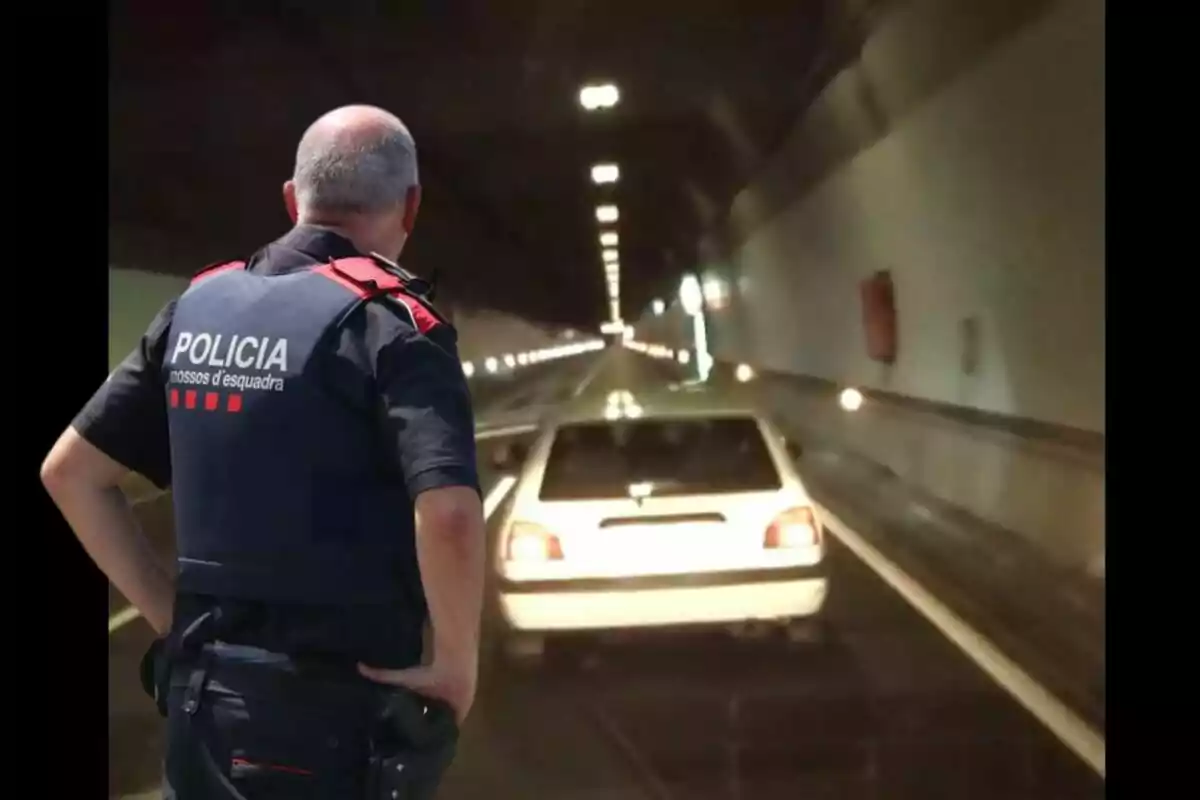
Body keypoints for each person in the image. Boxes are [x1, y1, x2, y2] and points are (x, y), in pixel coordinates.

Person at [41, 105, 486, 799]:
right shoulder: (394, 328)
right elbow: (450, 513)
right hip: (336, 715)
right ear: (412, 204)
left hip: (205, 709)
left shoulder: (196, 308)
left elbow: (69, 473)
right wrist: (457, 665)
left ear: (291, 198)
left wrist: (171, 617)